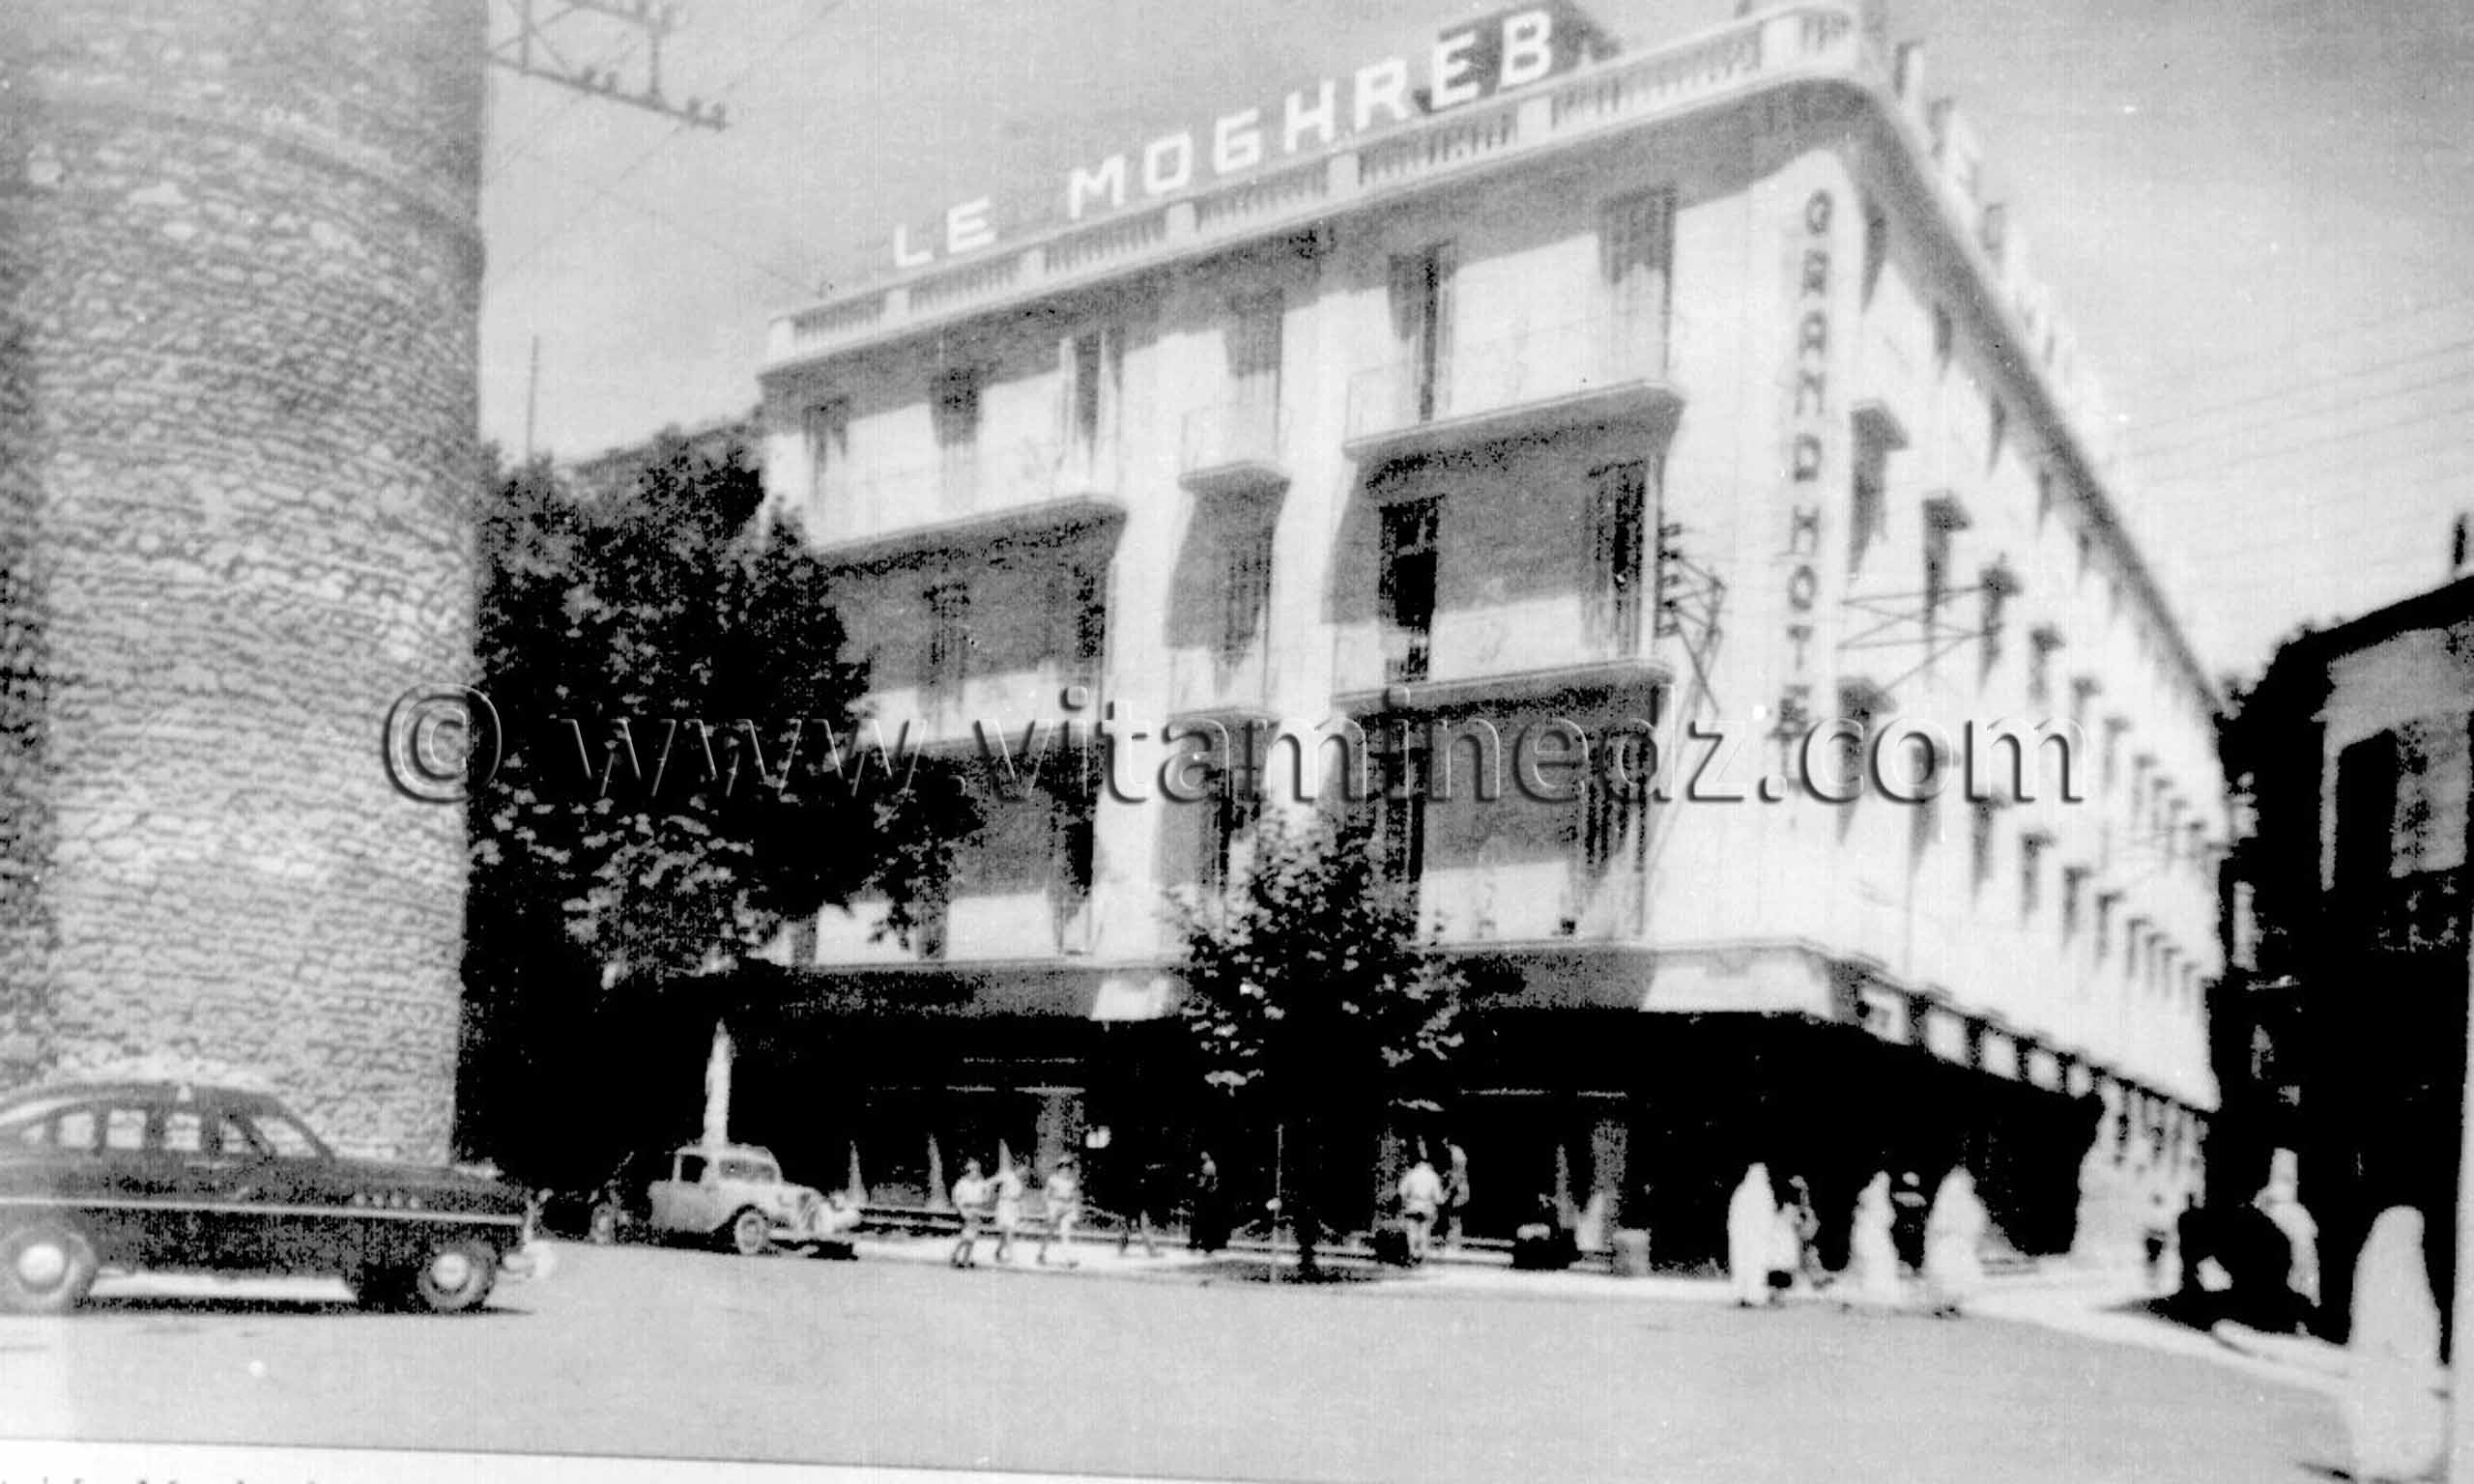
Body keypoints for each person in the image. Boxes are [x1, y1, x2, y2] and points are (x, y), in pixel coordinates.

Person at [2210, 1207, 2444, 1484]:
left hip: (2382, 1369)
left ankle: (2382, 1460)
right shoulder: (2409, 1294)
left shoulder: (2380, 1275)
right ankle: (2388, 1459)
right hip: (2393, 1376)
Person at [1923, 1167, 1989, 1318]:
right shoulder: (1949, 1201)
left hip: (1959, 1243)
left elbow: (1973, 1222)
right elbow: (1940, 1224)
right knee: (1946, 1274)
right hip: (1948, 1242)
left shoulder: (1966, 1201)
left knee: (1959, 1274)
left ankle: (1952, 1304)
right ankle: (1943, 1305)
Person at [1844, 1171, 1902, 1310]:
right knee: (1874, 1262)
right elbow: (1887, 1218)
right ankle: (1873, 1293)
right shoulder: (1875, 1197)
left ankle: (1871, 1293)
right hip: (1872, 1234)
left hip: (1870, 1234)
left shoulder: (1868, 1196)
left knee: (1874, 1262)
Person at [1726, 1163, 1778, 1307]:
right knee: (1755, 1268)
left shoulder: (1741, 1192)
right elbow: (1768, 1218)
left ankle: (1742, 1295)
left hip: (1743, 1239)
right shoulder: (1764, 1193)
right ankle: (1751, 1296)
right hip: (1755, 1239)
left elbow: (1734, 1218)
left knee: (1744, 1267)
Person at [1397, 1153, 1446, 1264]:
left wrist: (1406, 1201)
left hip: (1413, 1204)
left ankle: (1413, 1253)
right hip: (1427, 1206)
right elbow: (1438, 1197)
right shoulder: (1433, 1176)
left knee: (1412, 1231)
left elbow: (1401, 1191)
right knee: (1424, 1231)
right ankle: (1423, 1254)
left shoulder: (1411, 1174)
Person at [1037, 1155, 1082, 1267]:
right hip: (1055, 1206)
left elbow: (1073, 1198)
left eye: (1068, 1167)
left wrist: (1074, 1211)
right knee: (1050, 1233)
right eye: (1063, 1167)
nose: (1065, 1170)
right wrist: (1049, 1209)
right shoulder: (1053, 1179)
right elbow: (1046, 1195)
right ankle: (1042, 1253)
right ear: (1059, 1168)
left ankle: (1068, 1259)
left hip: (1066, 1208)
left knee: (1065, 1233)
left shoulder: (1071, 1182)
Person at [1785, 1175, 1826, 1293]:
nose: (1802, 1194)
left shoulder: (1805, 1207)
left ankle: (1814, 1280)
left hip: (1806, 1234)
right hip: (1799, 1235)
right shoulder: (1793, 1208)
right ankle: (1807, 1281)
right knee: (1801, 1257)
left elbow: (1810, 1221)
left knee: (1809, 1256)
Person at [949, 1158, 990, 1269]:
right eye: (972, 1170)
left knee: (971, 1237)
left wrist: (984, 1200)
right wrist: (962, 1211)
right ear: (967, 1172)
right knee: (967, 1236)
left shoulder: (981, 1183)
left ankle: (961, 1257)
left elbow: (986, 1195)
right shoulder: (962, 1183)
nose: (974, 1173)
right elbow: (956, 1199)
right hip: (965, 1210)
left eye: (976, 1170)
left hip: (976, 1210)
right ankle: (959, 1256)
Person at [1189, 1151, 1230, 1254]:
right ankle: (1203, 1243)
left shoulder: (1209, 1166)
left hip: (1206, 1199)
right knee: (1203, 1222)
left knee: (1203, 1221)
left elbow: (1206, 1183)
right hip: (1206, 1198)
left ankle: (1204, 1244)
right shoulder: (1207, 1166)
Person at [989, 1157, 1026, 1264]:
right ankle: (1011, 1255)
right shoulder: (1007, 1176)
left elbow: (1020, 1197)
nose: (1023, 1172)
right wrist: (988, 1191)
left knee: (1006, 1232)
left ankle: (998, 1251)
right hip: (1005, 1205)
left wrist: (1021, 1209)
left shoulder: (1020, 1182)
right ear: (1017, 1167)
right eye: (1022, 1169)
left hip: (1014, 1207)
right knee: (1009, 1230)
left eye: (1024, 1170)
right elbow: (992, 1181)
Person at [1436, 1142, 1472, 1249]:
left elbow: (1455, 1178)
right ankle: (1452, 1241)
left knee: (1454, 1216)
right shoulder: (1457, 1154)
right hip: (1459, 1190)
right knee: (1452, 1216)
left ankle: (1453, 1242)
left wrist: (1446, 1190)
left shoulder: (1456, 1154)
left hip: (1459, 1191)